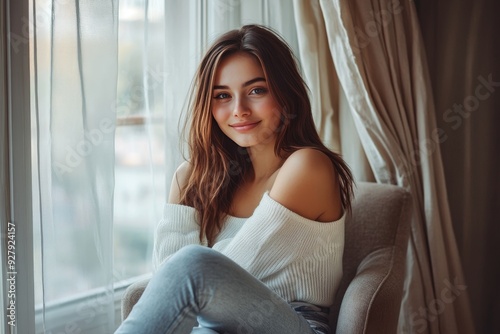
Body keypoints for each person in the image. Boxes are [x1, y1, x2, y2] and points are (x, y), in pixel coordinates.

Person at [116, 24, 354, 334]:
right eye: (223, 96)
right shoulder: (203, 178)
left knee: (193, 264)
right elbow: (167, 284)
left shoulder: (307, 167)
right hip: (215, 326)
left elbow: (216, 273)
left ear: (285, 93)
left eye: (257, 90)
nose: (239, 110)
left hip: (290, 323)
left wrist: (196, 265)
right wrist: (184, 183)